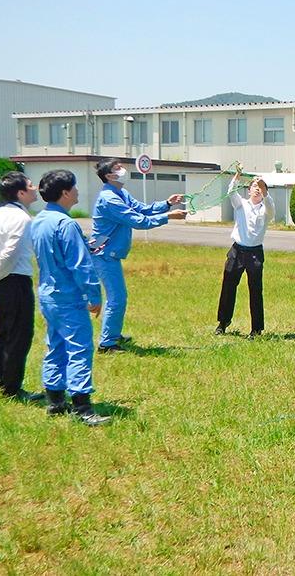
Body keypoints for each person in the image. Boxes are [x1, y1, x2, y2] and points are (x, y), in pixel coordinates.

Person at [31, 170, 110, 425]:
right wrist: (94, 295)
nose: (78, 191)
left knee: (55, 345)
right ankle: (82, 407)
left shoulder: (40, 220)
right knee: (79, 349)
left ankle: (55, 400)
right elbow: (80, 266)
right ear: (65, 193)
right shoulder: (67, 224)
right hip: (68, 298)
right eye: (74, 188)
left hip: (48, 294)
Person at [90, 158, 186, 353]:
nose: (123, 170)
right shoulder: (110, 199)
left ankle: (113, 335)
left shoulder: (120, 193)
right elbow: (138, 220)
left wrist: (167, 204)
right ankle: (107, 343)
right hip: (103, 254)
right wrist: (167, 216)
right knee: (117, 298)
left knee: (118, 297)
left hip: (110, 253)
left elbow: (142, 209)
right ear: (109, 176)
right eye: (118, 168)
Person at [0, 171, 43, 401]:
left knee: (4, 331)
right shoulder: (21, 219)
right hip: (12, 279)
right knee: (19, 334)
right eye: (30, 185)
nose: (35, 188)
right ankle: (12, 388)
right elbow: (8, 254)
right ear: (21, 192)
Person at [215, 168, 275, 337]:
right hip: (237, 250)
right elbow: (231, 190)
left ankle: (256, 329)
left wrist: (264, 188)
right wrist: (238, 175)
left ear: (264, 192)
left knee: (255, 290)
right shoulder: (240, 204)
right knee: (228, 286)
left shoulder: (266, 209)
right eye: (254, 186)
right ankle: (223, 323)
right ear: (248, 190)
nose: (256, 189)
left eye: (260, 187)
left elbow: (270, 206)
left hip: (255, 253)